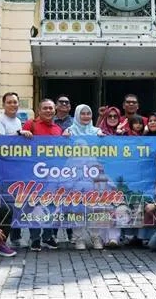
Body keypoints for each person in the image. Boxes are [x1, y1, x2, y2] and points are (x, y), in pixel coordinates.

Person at [21, 98, 62, 250]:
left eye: (51, 108)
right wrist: (22, 132)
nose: (48, 111)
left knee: (51, 205)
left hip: (52, 173)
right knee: (35, 205)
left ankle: (47, 236)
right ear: (39, 111)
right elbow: (18, 143)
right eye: (45, 108)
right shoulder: (30, 124)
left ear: (55, 110)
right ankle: (35, 238)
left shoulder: (58, 130)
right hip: (34, 173)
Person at [62, 104, 103, 249]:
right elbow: (60, 153)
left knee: (94, 210)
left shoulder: (97, 131)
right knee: (77, 210)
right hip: (75, 186)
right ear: (77, 115)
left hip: (92, 186)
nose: (86, 116)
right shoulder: (69, 131)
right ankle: (78, 238)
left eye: (88, 113)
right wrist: (64, 139)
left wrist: (102, 139)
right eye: (82, 114)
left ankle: (95, 237)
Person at [0, 92, 25, 247]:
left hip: (15, 169)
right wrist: (18, 135)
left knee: (17, 203)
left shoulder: (18, 121)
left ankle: (15, 237)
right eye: (9, 102)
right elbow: (0, 144)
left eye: (15, 102)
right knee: (4, 204)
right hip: (2, 170)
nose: (13, 105)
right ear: (4, 104)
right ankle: (0, 238)